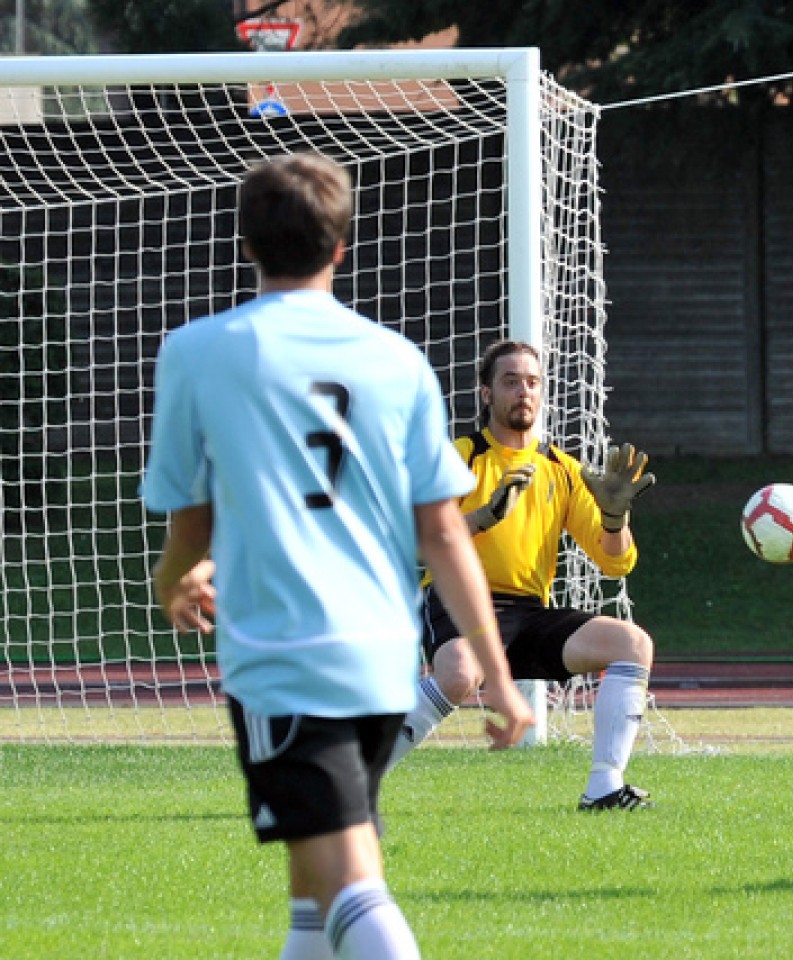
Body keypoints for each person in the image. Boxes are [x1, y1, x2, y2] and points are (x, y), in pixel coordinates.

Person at [142, 152, 534, 960]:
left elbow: (192, 515)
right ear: (342, 247)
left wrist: (176, 577)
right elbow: (447, 532)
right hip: (380, 659)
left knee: (353, 882)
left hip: (283, 656)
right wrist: (498, 675)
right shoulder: (397, 360)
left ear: (246, 244)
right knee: (313, 885)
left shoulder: (199, 352)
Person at [386, 339, 658, 812]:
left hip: (529, 614)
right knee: (459, 674)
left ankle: (604, 789)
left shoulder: (563, 469)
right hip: (459, 603)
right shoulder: (461, 456)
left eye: (532, 382)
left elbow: (616, 563)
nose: (524, 392)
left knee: (633, 644)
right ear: (487, 393)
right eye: (510, 382)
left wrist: (615, 519)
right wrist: (481, 519)